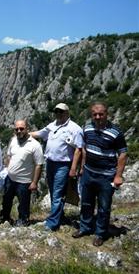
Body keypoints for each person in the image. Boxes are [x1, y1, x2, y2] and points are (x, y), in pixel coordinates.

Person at [72, 102, 127, 246]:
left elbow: (122, 154)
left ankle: (100, 233)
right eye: (94, 114)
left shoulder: (116, 132)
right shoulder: (87, 127)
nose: (97, 117)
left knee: (104, 206)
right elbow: (85, 148)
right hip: (88, 173)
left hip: (106, 176)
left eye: (101, 114)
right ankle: (85, 228)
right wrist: (82, 167)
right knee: (86, 203)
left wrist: (118, 176)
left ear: (107, 114)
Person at [31, 103, 83, 231]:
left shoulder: (75, 129)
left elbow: (79, 149)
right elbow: (39, 134)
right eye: (56, 112)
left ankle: (52, 223)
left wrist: (73, 169)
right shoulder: (52, 125)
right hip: (50, 163)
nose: (58, 114)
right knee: (54, 192)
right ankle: (60, 216)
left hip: (63, 165)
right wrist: (22, 133)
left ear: (67, 112)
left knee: (58, 193)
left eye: (61, 112)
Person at [0, 120, 44, 226]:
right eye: (17, 129)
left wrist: (34, 182)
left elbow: (39, 165)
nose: (19, 131)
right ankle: (5, 218)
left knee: (23, 204)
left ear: (27, 129)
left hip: (24, 181)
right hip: (10, 178)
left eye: (21, 128)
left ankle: (23, 221)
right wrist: (7, 169)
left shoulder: (35, 145)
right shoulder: (13, 140)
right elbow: (9, 155)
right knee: (6, 201)